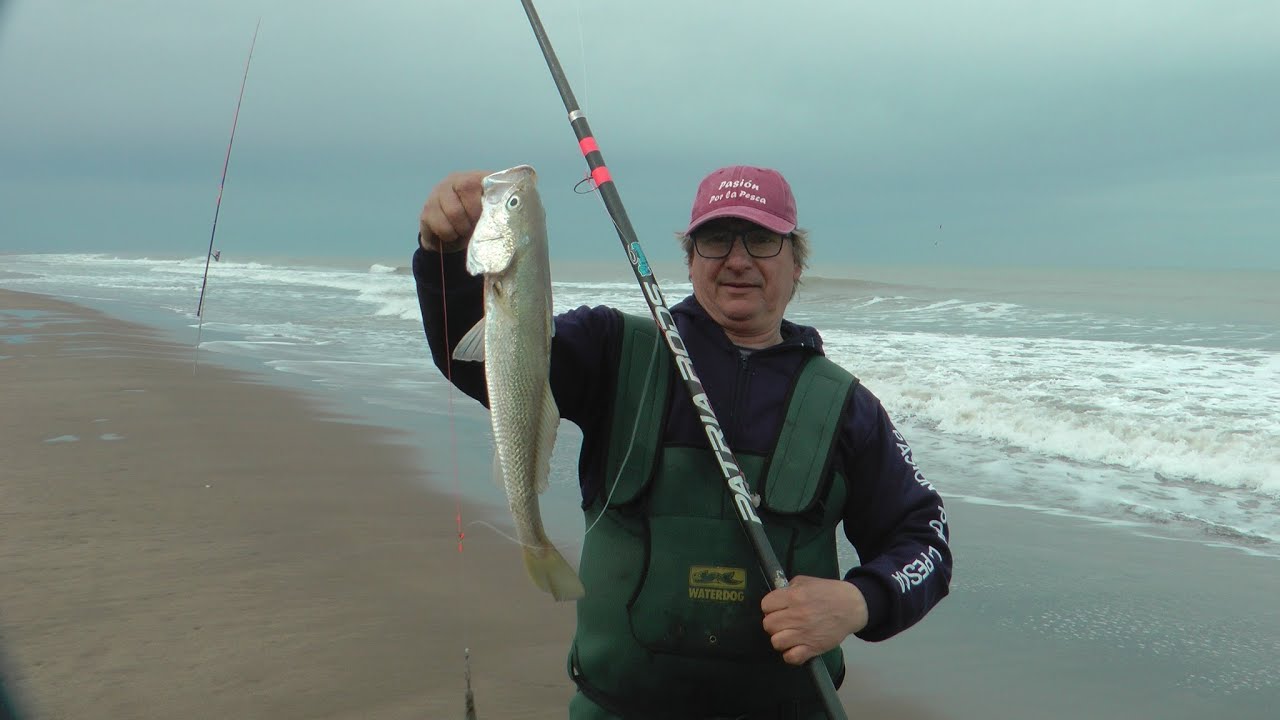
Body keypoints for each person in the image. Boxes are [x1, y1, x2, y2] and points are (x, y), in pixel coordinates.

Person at [414, 165, 952, 719]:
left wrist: (860, 601)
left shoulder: (846, 408)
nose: (737, 259)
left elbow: (926, 540)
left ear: (797, 264)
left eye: (763, 240)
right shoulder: (612, 350)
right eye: (716, 239)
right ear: (690, 257)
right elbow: (484, 358)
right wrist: (443, 253)